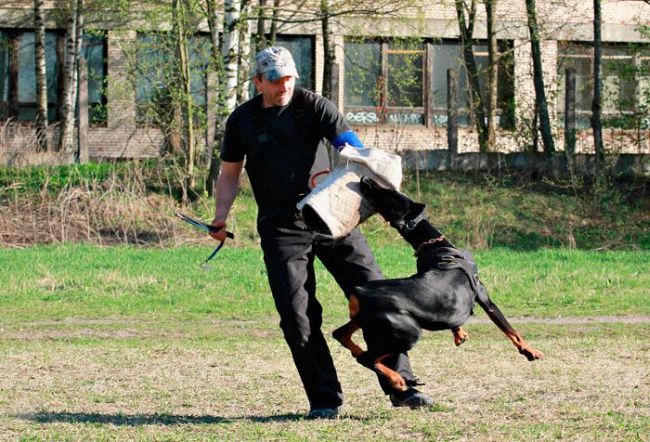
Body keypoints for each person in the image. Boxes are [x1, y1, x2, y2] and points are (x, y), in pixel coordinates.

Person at [210, 46, 433, 418]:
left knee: (377, 298)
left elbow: (353, 149)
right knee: (297, 316)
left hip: (331, 213)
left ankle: (403, 388)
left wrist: (376, 182)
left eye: (289, 78)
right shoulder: (242, 120)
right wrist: (220, 217)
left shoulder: (313, 106)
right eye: (275, 80)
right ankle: (325, 400)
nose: (284, 86)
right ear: (258, 82)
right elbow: (230, 173)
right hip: (281, 226)